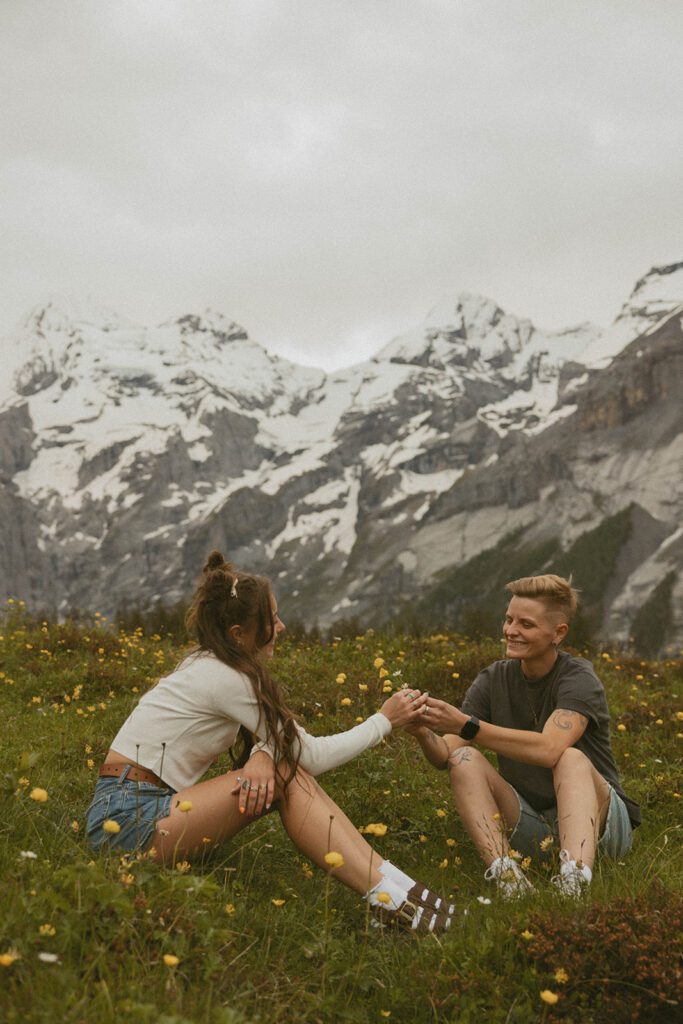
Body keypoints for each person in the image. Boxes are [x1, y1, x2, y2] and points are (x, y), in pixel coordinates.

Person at [85, 550, 452, 933]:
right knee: (288, 776)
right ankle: (396, 904)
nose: (282, 627)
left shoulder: (209, 664)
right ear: (238, 634)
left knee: (284, 772)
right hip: (127, 818)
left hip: (138, 805)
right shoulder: (227, 678)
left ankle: (403, 893)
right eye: (271, 619)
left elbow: (279, 742)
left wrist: (262, 754)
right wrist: (384, 720)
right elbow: (309, 754)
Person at [408, 574, 640, 898]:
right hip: (536, 825)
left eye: (526, 624)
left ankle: (574, 882)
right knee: (463, 758)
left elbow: (549, 750)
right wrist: (421, 731)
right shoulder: (493, 678)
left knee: (570, 757)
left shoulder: (578, 677)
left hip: (601, 826)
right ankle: (509, 880)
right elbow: (445, 754)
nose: (510, 631)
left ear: (558, 633)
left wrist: (466, 724)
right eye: (508, 619)